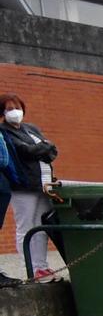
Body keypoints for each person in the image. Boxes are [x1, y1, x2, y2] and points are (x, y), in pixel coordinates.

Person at [0, 93, 57, 279]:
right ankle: (30, 268)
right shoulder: (5, 132)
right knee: (26, 227)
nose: (15, 112)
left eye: (17, 107)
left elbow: (52, 151)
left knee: (41, 226)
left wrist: (44, 149)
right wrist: (44, 147)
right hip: (23, 187)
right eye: (9, 109)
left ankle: (41, 266)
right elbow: (26, 151)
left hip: (43, 184)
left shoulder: (31, 129)